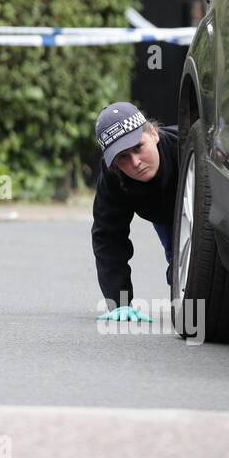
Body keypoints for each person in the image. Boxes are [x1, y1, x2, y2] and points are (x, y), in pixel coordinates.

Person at [91, 102, 179, 322]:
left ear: (154, 134)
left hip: (204, 207)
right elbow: (108, 236)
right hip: (164, 215)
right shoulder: (113, 178)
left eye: (138, 147)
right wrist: (118, 302)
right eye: (123, 157)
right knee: (178, 271)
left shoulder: (186, 147)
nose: (135, 162)